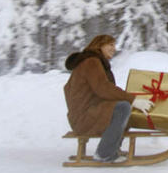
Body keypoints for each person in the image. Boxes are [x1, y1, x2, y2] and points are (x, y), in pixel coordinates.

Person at [64, 34, 154, 163]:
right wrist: (133, 100)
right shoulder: (92, 62)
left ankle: (112, 148)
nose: (114, 48)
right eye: (110, 45)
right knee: (122, 107)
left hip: (87, 114)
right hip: (84, 117)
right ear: (99, 45)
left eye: (114, 45)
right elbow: (103, 88)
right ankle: (104, 153)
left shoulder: (93, 62)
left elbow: (101, 91)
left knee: (122, 107)